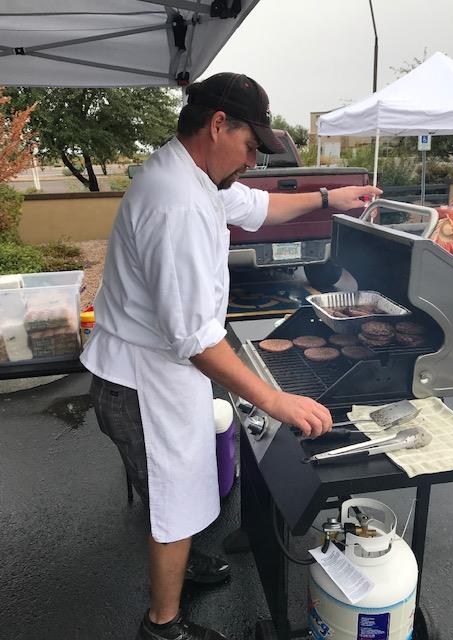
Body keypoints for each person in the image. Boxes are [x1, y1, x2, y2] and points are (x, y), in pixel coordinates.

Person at [80, 72, 381, 640]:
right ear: (219, 124)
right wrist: (275, 399)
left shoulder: (190, 173)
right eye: (250, 145)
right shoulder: (178, 204)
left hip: (148, 373)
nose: (252, 159)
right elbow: (194, 339)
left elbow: (255, 205)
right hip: (145, 382)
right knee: (173, 502)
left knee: (173, 492)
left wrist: (327, 198)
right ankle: (162, 626)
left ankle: (182, 563)